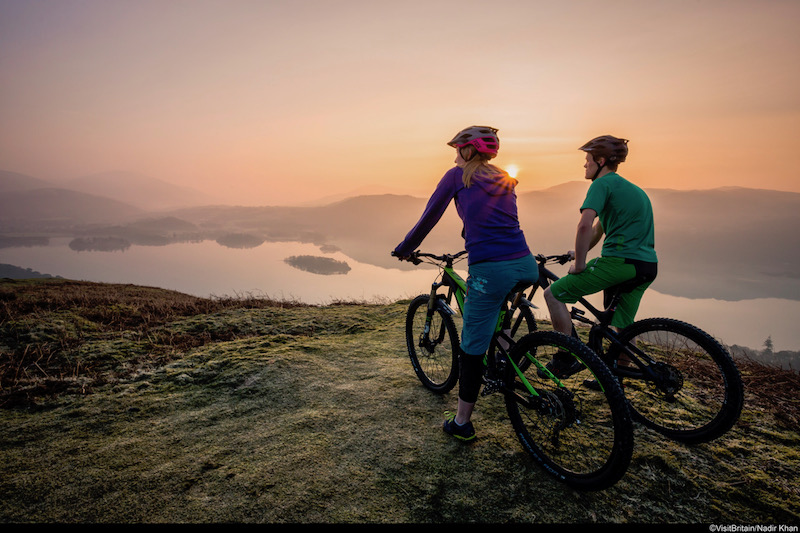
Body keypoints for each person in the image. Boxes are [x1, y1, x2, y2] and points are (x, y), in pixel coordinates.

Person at [393, 125, 538, 442]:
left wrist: (405, 249)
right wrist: (469, 234)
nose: (454, 155)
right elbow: (497, 219)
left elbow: (429, 217)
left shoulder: (456, 176)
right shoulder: (503, 177)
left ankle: (461, 423)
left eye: (457, 149)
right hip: (525, 264)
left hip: (492, 269)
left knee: (471, 349)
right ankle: (506, 362)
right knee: (494, 321)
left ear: (468, 151)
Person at [543, 135, 658, 378]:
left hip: (619, 262)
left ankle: (565, 359)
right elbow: (598, 230)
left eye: (587, 160)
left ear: (601, 160)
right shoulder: (630, 189)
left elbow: (585, 225)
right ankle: (618, 381)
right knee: (623, 327)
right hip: (646, 265)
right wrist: (579, 251)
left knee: (553, 294)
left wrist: (580, 264)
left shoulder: (601, 185)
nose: (585, 164)